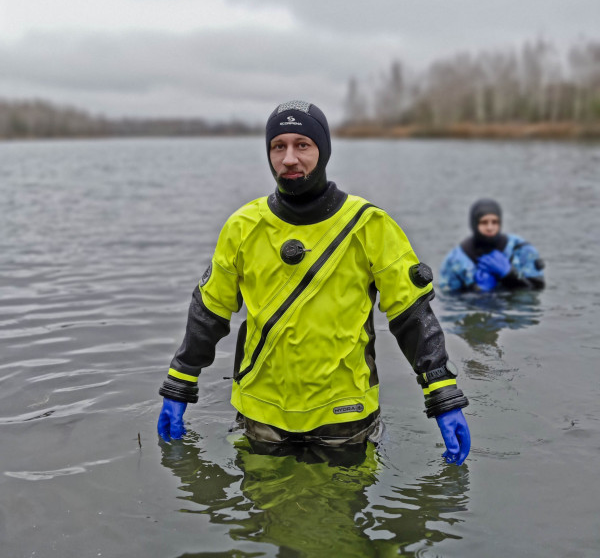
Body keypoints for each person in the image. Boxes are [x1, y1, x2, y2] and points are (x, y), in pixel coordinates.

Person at [157, 100, 471, 465]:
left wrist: (442, 395)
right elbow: (209, 313)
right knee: (265, 511)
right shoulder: (242, 226)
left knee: (342, 514)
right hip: (262, 411)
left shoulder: (369, 224)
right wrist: (180, 384)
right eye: (279, 146)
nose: (289, 158)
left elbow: (411, 315)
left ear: (323, 152)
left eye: (302, 145)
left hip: (345, 413)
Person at [439, 198, 545, 294]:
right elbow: (448, 299)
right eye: (484, 222)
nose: (490, 227)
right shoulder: (455, 259)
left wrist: (510, 276)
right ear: (474, 224)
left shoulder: (521, 249)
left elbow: (538, 289)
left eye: (495, 222)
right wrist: (477, 291)